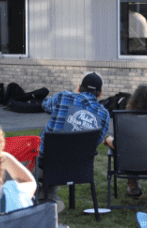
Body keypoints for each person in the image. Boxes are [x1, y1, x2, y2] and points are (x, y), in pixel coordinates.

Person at [38, 72, 110, 211]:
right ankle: (50, 199)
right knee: (60, 155)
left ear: (79, 88)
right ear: (100, 93)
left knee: (15, 161)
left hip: (44, 167)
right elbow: (96, 141)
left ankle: (36, 199)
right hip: (78, 170)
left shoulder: (63, 97)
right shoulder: (104, 115)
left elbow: (45, 105)